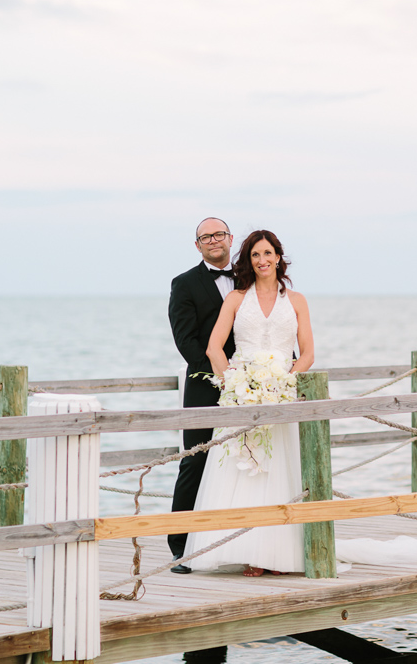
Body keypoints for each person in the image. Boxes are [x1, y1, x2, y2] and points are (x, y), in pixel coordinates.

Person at [183, 229, 314, 577]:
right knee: (243, 472)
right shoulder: (237, 299)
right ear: (248, 260)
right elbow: (214, 349)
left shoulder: (297, 300)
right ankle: (244, 551)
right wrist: (235, 386)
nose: (262, 260)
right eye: (255, 255)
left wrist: (283, 383)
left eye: (268, 253)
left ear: (278, 256)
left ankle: (278, 553)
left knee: (278, 470)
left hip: (282, 396)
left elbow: (308, 353)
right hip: (242, 396)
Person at [167, 218, 237, 570]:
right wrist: (222, 377)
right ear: (198, 245)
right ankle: (180, 545)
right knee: (196, 460)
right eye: (205, 236)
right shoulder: (184, 284)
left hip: (254, 385)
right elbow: (186, 341)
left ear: (230, 238)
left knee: (250, 461)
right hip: (204, 385)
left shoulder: (253, 277)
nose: (213, 240)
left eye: (219, 234)